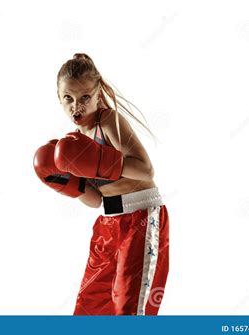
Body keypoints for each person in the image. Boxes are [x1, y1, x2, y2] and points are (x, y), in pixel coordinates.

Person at [33, 53, 169, 315]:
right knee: (90, 309)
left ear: (98, 92)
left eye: (85, 97)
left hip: (141, 216)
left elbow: (145, 168)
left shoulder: (107, 122)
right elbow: (95, 199)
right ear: (59, 98)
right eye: (68, 99)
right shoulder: (73, 142)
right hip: (110, 221)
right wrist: (68, 185)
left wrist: (102, 161)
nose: (77, 107)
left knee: (130, 310)